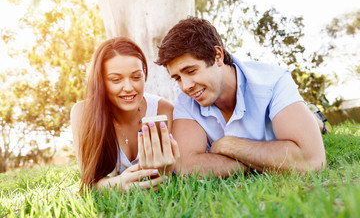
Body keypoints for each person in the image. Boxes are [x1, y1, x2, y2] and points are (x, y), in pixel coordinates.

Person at [155, 16, 326, 177]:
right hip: (271, 144)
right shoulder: (186, 97)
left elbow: (311, 161)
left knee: (312, 126)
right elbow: (187, 166)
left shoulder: (274, 82)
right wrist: (266, 161)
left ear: (218, 56)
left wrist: (228, 145)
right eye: (177, 78)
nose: (186, 86)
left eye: (191, 71)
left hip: (280, 109)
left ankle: (315, 119)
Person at [71, 37, 180, 191]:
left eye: (136, 77)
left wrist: (166, 172)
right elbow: (88, 183)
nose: (128, 87)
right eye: (116, 79)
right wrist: (118, 185)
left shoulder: (163, 110)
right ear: (100, 82)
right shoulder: (82, 113)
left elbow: (169, 176)